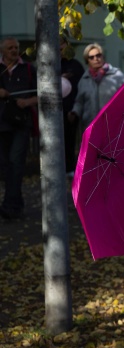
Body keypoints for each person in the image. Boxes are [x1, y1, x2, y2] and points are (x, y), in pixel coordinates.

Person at [0, 37, 38, 220]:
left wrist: (27, 102)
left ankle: (9, 206)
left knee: (16, 163)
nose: (14, 50)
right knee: (6, 166)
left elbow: (44, 93)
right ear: (2, 51)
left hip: (21, 124)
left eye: (16, 47)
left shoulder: (29, 69)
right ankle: (16, 202)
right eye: (10, 48)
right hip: (2, 125)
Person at [69, 43, 124, 133]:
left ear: (103, 56)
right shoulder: (84, 79)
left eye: (98, 55)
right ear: (87, 61)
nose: (96, 59)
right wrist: (74, 112)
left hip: (112, 126)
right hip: (90, 127)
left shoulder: (117, 76)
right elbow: (79, 102)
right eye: (91, 57)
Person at [59, 36, 85, 177]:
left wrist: (75, 110)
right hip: (53, 110)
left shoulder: (75, 65)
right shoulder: (51, 65)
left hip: (70, 110)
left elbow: (80, 90)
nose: (59, 51)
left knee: (69, 140)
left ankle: (69, 168)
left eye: (62, 48)